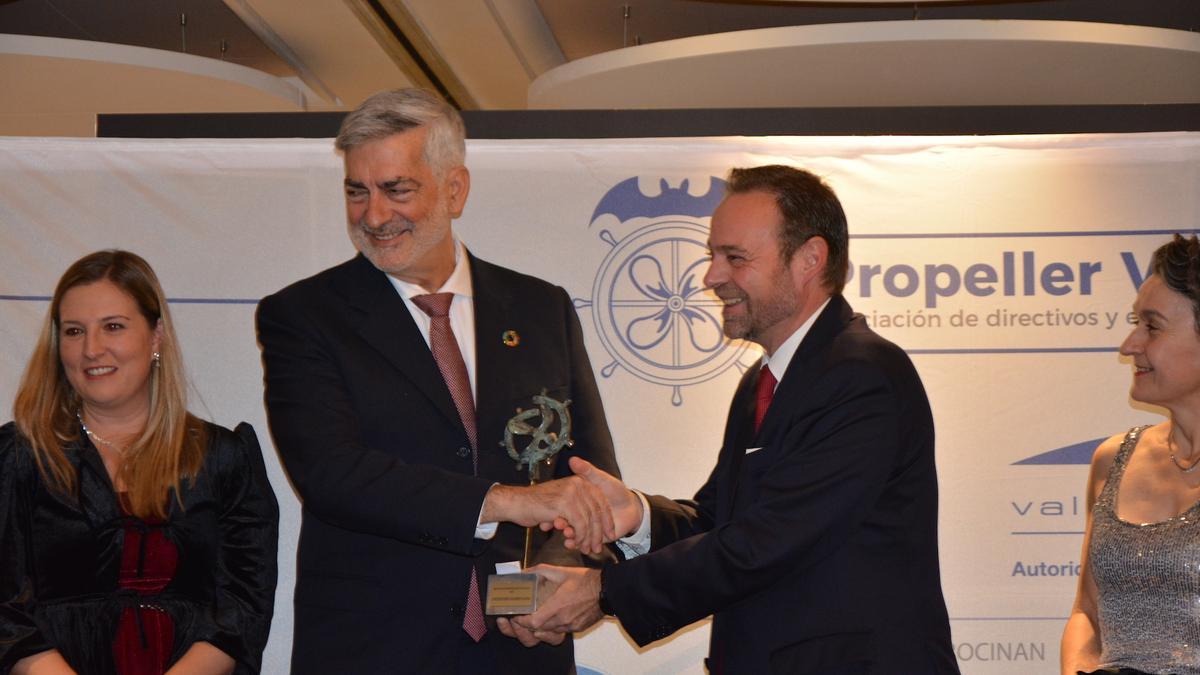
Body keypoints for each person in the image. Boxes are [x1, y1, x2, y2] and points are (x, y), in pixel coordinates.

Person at [501, 165, 960, 674]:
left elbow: (768, 542)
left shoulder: (862, 375)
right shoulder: (762, 383)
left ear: (810, 259)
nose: (711, 277)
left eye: (735, 258)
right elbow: (720, 523)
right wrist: (636, 515)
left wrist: (603, 591)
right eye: (712, 256)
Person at [255, 88, 621, 674]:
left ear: (455, 189)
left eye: (396, 189)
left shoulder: (540, 308)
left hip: (521, 651)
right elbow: (331, 474)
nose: (374, 216)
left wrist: (566, 583)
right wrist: (505, 501)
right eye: (357, 191)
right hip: (373, 653)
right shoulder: (303, 317)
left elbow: (587, 476)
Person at [0, 250, 279, 675]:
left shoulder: (223, 458)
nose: (91, 349)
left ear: (155, 336)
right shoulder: (19, 456)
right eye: (74, 331)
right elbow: (5, 610)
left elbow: (242, 608)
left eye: (113, 326)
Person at [1061, 234, 1200, 675]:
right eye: (1135, 323)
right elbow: (1087, 613)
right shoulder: (1113, 459)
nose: (1129, 345)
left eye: (1152, 327)